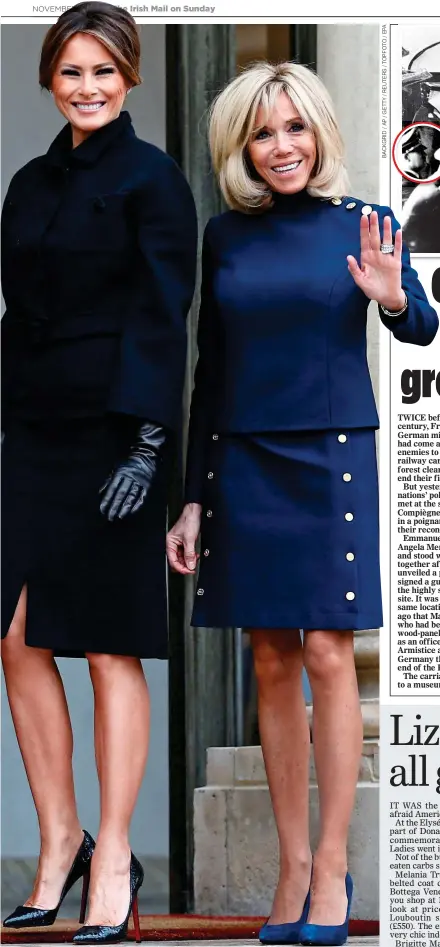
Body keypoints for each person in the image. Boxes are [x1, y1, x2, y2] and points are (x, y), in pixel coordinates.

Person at [166, 61, 438, 947]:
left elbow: (420, 321)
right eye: (262, 133)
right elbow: (211, 369)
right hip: (244, 455)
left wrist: (393, 298)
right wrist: (193, 501)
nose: (281, 147)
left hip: (330, 456)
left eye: (294, 128)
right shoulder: (224, 236)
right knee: (271, 659)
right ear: (241, 146)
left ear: (318, 133)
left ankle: (330, 866)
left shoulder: (367, 224)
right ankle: (289, 866)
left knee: (327, 650)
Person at [1, 2, 197, 944]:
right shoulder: (27, 185)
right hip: (32, 436)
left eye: (104, 71)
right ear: (50, 77)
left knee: (110, 646)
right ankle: (61, 839)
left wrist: (151, 446)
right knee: (16, 638)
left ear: (132, 78)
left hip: (119, 436)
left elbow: (165, 322)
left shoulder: (155, 181)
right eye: (71, 70)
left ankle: (112, 856)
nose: (87, 87)